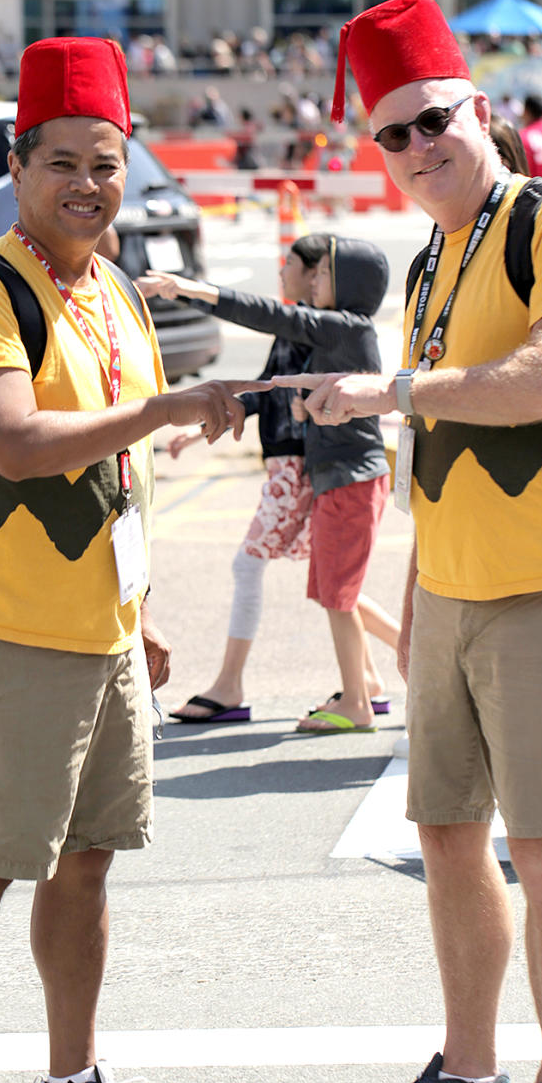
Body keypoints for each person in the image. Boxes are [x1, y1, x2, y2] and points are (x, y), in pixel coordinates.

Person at [275, 0, 542, 1083]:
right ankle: (469, 1076)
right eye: (392, 135)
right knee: (443, 836)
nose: (420, 146)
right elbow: (440, 439)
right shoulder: (437, 256)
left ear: (478, 109)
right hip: (460, 595)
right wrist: (421, 592)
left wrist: (392, 391)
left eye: (434, 119)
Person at [0, 34, 254, 1083]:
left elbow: (118, 485)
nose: (90, 185)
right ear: (19, 161)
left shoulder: (109, 293)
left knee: (88, 863)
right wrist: (165, 410)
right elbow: (15, 440)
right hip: (3, 631)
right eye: (64, 162)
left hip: (98, 634)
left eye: (108, 162)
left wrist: (138, 609)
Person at [140, 233, 398, 734]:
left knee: (337, 597)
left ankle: (358, 703)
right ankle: (372, 682)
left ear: (346, 285)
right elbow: (275, 381)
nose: (311, 281)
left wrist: (191, 289)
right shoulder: (337, 333)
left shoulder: (343, 327)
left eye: (323, 273)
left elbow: (269, 314)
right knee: (335, 592)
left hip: (348, 480)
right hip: (334, 478)